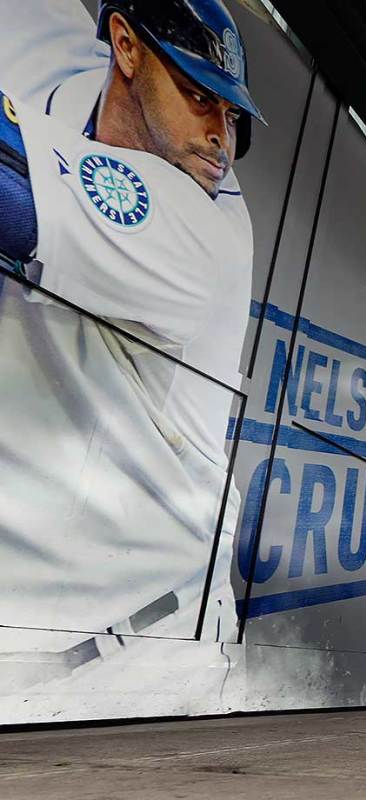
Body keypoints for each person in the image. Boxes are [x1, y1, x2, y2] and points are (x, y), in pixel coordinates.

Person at [0, 0, 262, 687]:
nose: (220, 139)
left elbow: (11, 196)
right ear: (126, 45)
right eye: (201, 96)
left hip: (147, 652)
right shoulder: (47, 52)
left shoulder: (208, 230)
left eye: (230, 115)